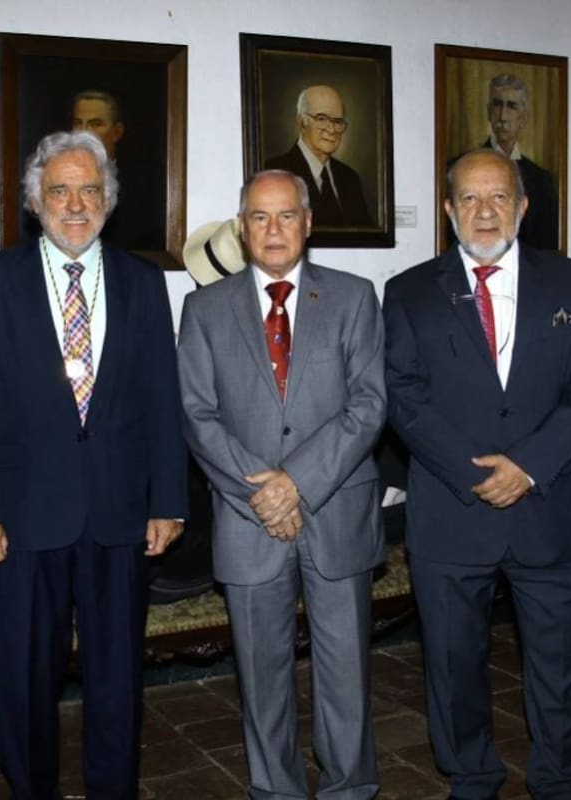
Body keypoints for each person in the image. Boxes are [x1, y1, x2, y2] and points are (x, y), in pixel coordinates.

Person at [0, 130, 187, 799]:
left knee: (117, 677)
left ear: (108, 202)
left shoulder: (144, 283)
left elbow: (162, 401)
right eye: (60, 190)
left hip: (119, 514)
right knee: (26, 678)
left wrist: (168, 498)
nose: (75, 204)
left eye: (89, 190)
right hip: (23, 521)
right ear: (36, 203)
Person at [384, 148, 571, 800]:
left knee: (561, 668)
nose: (486, 213)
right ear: (450, 209)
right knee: (453, 668)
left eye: (500, 198)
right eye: (471, 200)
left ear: (524, 206)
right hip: (453, 515)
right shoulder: (409, 292)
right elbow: (403, 395)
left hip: (552, 512)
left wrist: (530, 466)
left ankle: (559, 781)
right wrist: (472, 473)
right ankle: (472, 778)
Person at [177, 169, 386, 799]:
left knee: (346, 676)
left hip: (336, 515)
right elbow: (196, 413)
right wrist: (262, 494)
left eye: (286, 215)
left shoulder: (353, 297)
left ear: (308, 222)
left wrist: (296, 484)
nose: (273, 230)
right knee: (262, 679)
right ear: (242, 228)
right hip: (249, 522)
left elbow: (370, 405)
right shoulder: (204, 309)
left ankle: (350, 789)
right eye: (259, 218)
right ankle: (276, 791)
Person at [265, 85, 373, 227]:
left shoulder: (350, 178)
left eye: (338, 121)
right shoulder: (275, 173)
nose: (332, 129)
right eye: (322, 119)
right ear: (302, 122)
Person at [71, 88, 166, 250]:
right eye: (79, 123)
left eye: (96, 124)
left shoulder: (145, 187)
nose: (85, 132)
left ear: (117, 131)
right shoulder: (54, 179)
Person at [481, 73, 558, 250]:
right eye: (497, 105)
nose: (502, 116)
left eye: (512, 107)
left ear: (523, 118)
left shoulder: (542, 180)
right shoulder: (461, 169)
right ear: (488, 112)